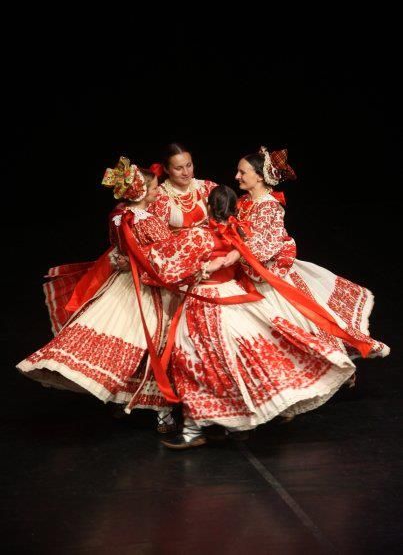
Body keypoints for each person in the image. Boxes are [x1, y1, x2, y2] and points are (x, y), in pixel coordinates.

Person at [142, 185, 359, 449]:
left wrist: (195, 268)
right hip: (234, 298)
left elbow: (168, 267)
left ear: (209, 207)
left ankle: (194, 430)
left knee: (192, 360)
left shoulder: (198, 236)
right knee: (234, 361)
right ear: (233, 208)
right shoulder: (240, 232)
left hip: (205, 302)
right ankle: (232, 427)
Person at [16, 158, 179, 432]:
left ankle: (121, 401)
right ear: (140, 191)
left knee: (130, 341)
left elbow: (118, 251)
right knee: (157, 346)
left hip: (122, 284)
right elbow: (167, 255)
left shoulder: (118, 216)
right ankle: (163, 414)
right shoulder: (147, 220)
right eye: (152, 188)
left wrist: (126, 261)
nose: (157, 191)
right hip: (147, 290)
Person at [228, 147, 389, 387]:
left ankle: (335, 369)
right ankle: (284, 385)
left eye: (242, 172)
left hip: (272, 280)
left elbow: (264, 248)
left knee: (299, 330)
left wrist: (234, 242)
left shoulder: (270, 206)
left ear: (259, 176)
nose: (237, 176)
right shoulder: (243, 202)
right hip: (249, 276)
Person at [147, 143, 217, 230]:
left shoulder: (207, 187)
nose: (186, 173)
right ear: (166, 169)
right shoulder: (158, 197)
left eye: (189, 165)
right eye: (178, 168)